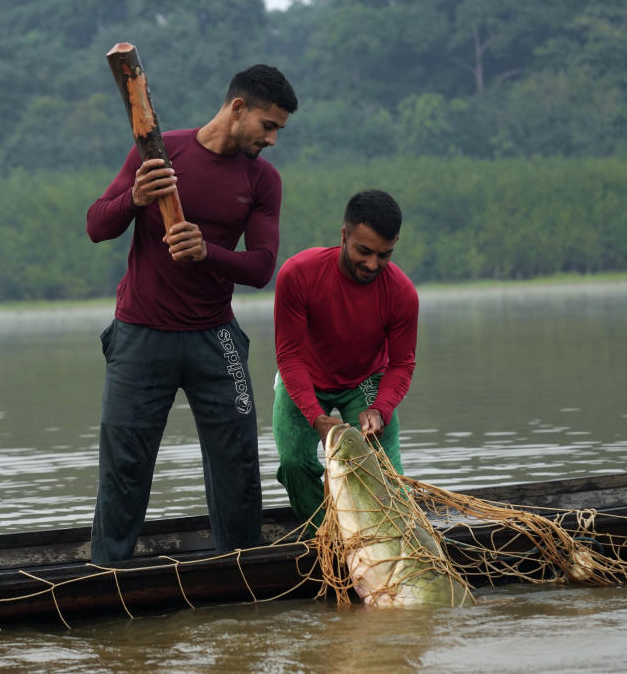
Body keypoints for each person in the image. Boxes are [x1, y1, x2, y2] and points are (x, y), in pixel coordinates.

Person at [86, 64, 299, 564]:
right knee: (126, 464)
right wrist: (135, 197)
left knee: (239, 459)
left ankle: (241, 571)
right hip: (140, 334)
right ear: (238, 108)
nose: (272, 139)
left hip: (216, 337)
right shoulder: (161, 154)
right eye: (268, 126)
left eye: (278, 131)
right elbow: (97, 225)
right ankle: (109, 570)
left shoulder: (263, 181)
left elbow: (262, 267)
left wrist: (209, 252)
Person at [271, 189, 418, 531]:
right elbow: (288, 356)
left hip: (364, 381)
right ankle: (328, 537)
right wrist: (316, 418)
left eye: (384, 255)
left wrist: (380, 408)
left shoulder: (402, 293)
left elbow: (401, 364)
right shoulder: (298, 274)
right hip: (304, 376)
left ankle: (385, 539)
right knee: (295, 463)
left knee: (385, 474)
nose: (372, 264)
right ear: (344, 235)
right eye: (363, 251)